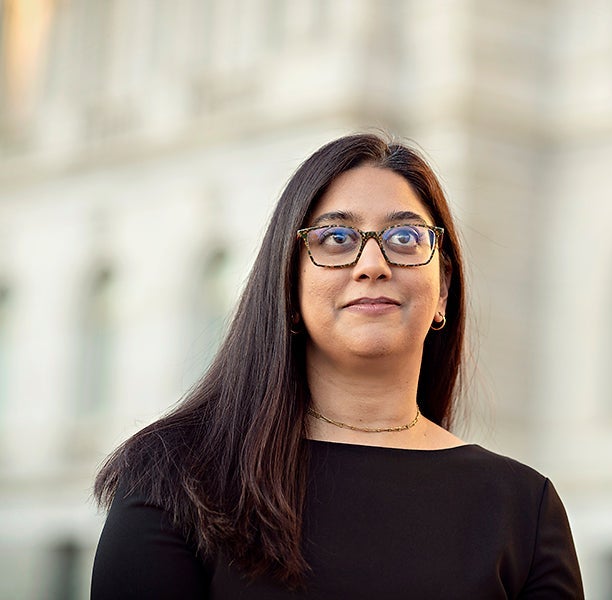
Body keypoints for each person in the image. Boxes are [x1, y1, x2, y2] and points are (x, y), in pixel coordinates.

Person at [91, 132, 584, 599]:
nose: (373, 263)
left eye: (405, 237)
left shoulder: (522, 509)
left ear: (444, 289)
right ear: (287, 281)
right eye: (337, 238)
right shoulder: (176, 478)